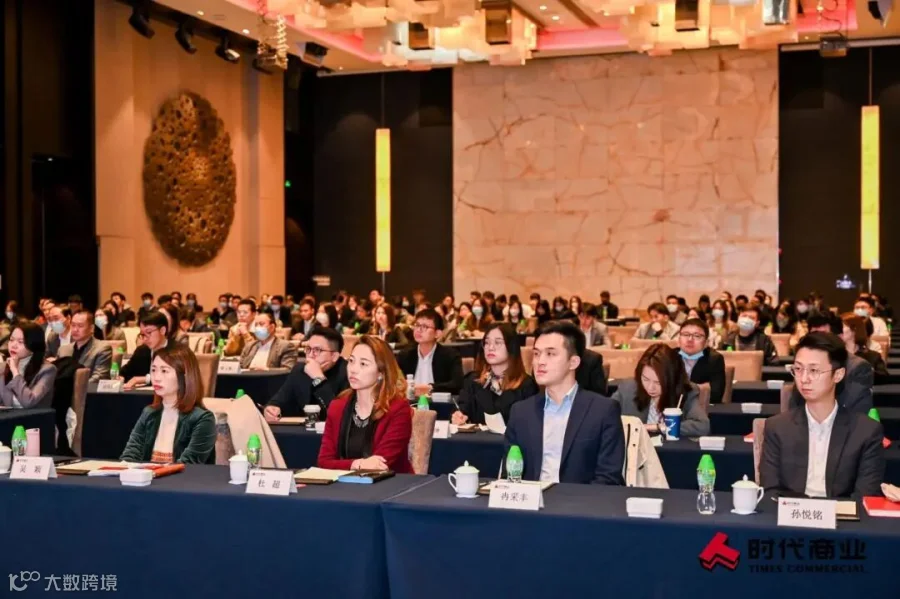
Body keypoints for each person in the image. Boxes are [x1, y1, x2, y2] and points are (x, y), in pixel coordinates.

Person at [761, 333, 884, 498]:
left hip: (844, 514)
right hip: (791, 512)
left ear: (838, 375)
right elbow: (770, 492)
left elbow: (865, 497)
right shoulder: (777, 427)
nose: (804, 379)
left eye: (814, 370)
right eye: (798, 369)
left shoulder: (866, 431)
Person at [504, 321, 625, 484]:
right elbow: (511, 475)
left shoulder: (603, 411)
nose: (540, 361)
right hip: (531, 498)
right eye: (536, 354)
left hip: (581, 499)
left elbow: (608, 478)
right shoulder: (520, 412)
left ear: (573, 362)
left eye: (550, 354)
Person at [317, 336, 413, 473]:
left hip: (391, 482)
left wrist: (346, 465)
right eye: (351, 361)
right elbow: (324, 461)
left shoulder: (397, 408)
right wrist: (357, 464)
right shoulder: (337, 406)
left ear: (381, 373)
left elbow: (381, 463)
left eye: (363, 364)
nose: (353, 369)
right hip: (345, 483)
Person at [119, 346, 215, 464]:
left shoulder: (202, 419)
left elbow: (188, 466)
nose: (156, 378)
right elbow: (130, 455)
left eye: (164, 371)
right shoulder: (149, 413)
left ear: (184, 375)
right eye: (153, 370)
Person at [613, 343, 709, 436]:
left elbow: (702, 426)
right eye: (645, 379)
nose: (650, 387)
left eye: (658, 383)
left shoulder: (685, 391)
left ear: (672, 379)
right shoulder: (627, 388)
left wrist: (658, 427)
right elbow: (607, 416)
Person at [452, 324, 538, 426]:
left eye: (498, 343)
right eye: (487, 343)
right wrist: (458, 416)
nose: (490, 347)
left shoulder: (526, 385)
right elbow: (463, 410)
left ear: (511, 347)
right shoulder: (473, 381)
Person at [788, 312, 874, 414]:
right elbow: (794, 409)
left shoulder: (858, 367)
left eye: (824, 336)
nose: (804, 379)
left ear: (839, 337)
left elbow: (856, 412)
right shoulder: (803, 364)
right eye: (814, 335)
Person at [265, 328, 349, 420]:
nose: (310, 355)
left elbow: (339, 414)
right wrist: (271, 409)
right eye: (308, 349)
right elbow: (278, 400)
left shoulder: (348, 373)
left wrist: (318, 378)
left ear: (334, 356)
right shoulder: (299, 370)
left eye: (317, 350)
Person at [397, 309, 463, 396]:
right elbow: (394, 382)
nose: (418, 330)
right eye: (417, 325)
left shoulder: (450, 355)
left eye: (425, 327)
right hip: (410, 402)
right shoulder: (404, 355)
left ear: (437, 333)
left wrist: (430, 388)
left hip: (438, 402)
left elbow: (457, 384)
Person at [0, 322, 57, 408]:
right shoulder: (3, 367)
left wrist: (15, 372)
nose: (13, 345)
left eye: (20, 342)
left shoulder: (47, 370)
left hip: (33, 415)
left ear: (33, 345)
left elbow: (29, 402)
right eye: (11, 340)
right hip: (8, 415)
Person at [677, 318, 726, 404]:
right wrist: (700, 388)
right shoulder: (669, 356)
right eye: (685, 334)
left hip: (701, 408)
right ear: (679, 339)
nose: (690, 339)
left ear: (706, 342)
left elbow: (715, 395)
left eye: (697, 336)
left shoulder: (714, 360)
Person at [120, 312, 171, 389]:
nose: (145, 339)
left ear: (162, 330)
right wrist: (121, 378)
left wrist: (143, 379)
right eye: (143, 334)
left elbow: (174, 378)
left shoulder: (178, 351)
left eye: (149, 333)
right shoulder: (142, 351)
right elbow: (125, 373)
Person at [57, 311, 112, 383]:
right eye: (73, 325)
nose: (75, 329)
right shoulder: (63, 350)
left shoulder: (102, 348)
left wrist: (76, 387)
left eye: (80, 326)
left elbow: (100, 377)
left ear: (91, 328)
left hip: (88, 389)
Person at [841, 313, 889, 384]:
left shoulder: (872, 356)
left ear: (854, 329)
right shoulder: (834, 355)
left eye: (841, 326)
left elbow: (883, 377)